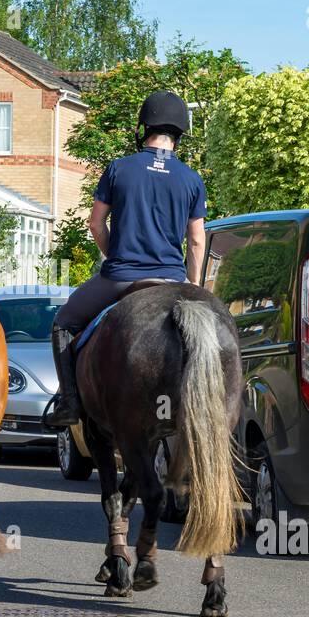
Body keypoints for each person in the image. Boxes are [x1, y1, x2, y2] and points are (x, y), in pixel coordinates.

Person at [42, 90, 206, 429]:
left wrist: (113, 254)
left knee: (63, 322)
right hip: (172, 280)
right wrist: (193, 283)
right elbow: (196, 239)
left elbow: (95, 222)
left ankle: (70, 401)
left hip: (120, 276)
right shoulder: (192, 179)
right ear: (179, 133)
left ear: (144, 128)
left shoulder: (119, 168)